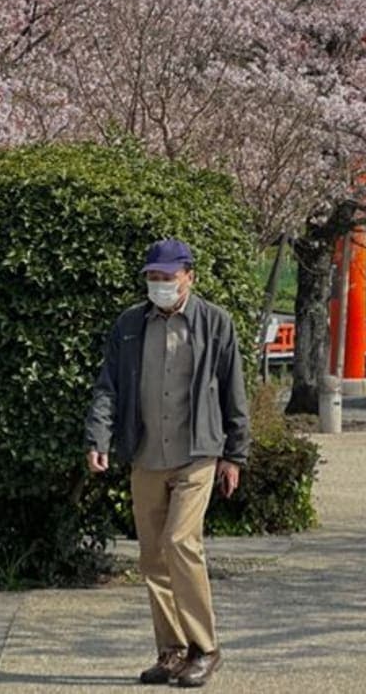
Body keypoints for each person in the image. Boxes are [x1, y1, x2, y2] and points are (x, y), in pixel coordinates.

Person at [85, 238, 250, 689]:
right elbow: (108, 386)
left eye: (167, 277)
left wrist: (235, 454)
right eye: (152, 277)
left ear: (188, 277)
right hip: (145, 453)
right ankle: (172, 650)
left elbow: (233, 390)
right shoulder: (129, 324)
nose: (159, 284)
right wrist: (98, 437)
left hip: (197, 452)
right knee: (153, 556)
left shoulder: (215, 323)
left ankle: (205, 648)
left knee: (180, 542)